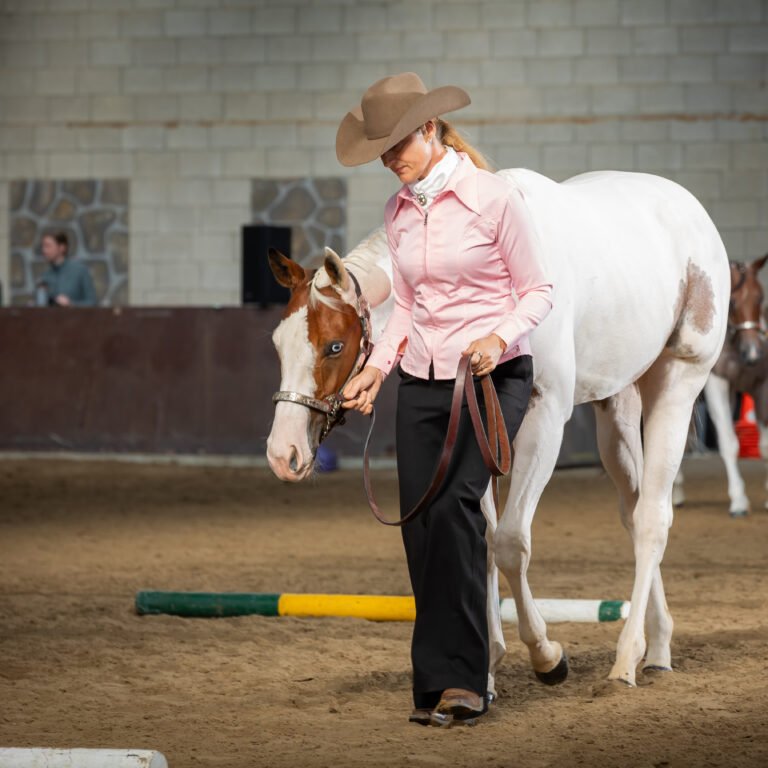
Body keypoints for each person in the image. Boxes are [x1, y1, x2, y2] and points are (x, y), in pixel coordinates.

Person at [335, 73, 553, 726]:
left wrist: (498, 335)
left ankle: (468, 680)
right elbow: (405, 304)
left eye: (398, 144)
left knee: (458, 508)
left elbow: (538, 290)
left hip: (492, 378)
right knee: (421, 527)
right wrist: (378, 367)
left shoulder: (494, 199)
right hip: (422, 384)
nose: (390, 159)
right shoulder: (398, 214)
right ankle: (433, 680)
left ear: (430, 130)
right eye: (381, 151)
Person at [38, 232, 97, 307]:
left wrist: (71, 304)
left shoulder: (80, 271)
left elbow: (92, 302)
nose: (44, 250)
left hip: (76, 318)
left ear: (62, 248)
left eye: (48, 246)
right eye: (43, 246)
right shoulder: (45, 276)